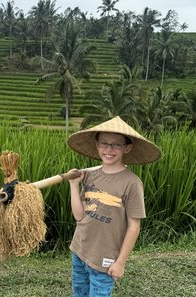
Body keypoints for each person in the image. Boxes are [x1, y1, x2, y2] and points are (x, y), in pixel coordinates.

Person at [66, 116, 161, 297]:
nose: (109, 149)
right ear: (97, 145)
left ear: (127, 147)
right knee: (79, 293)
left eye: (116, 145)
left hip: (105, 260)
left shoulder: (132, 183)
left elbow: (134, 227)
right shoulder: (90, 175)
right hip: (79, 249)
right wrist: (74, 185)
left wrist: (120, 262)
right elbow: (79, 217)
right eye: (104, 143)